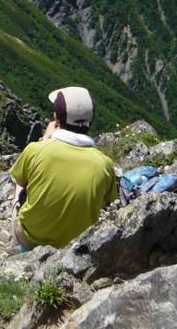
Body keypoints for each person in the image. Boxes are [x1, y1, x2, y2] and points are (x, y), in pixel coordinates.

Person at [10, 86, 118, 251]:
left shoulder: (36, 149)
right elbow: (102, 204)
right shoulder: (105, 164)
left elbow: (21, 180)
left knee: (19, 184)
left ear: (56, 119)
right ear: (93, 120)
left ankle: (22, 248)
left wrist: (45, 139)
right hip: (75, 246)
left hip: (31, 238)